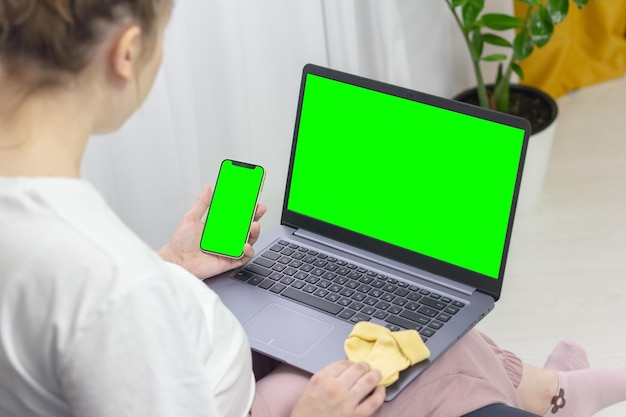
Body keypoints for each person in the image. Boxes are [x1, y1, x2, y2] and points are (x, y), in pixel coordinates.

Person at [1, 1, 625, 416]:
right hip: (262, 401)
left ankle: (554, 389)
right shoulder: (113, 291)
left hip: (234, 367)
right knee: (431, 348)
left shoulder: (42, 229)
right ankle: (558, 393)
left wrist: (174, 263)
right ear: (127, 52)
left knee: (410, 330)